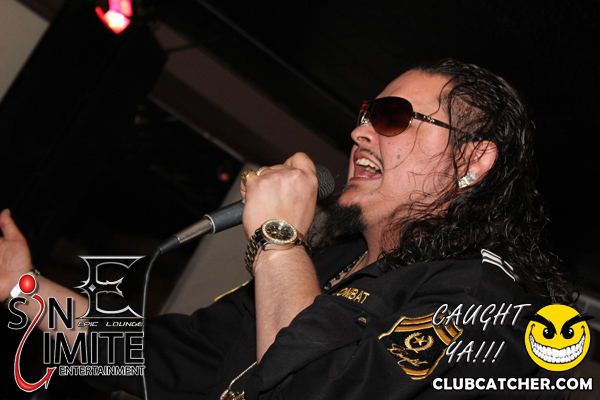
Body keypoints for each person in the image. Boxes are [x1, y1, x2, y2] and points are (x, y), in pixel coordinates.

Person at [1, 58, 572, 399]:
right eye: (367, 113)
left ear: (472, 160)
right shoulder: (327, 264)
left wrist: (277, 238)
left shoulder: (484, 297)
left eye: (393, 117)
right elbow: (162, 357)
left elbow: (306, 389)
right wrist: (24, 291)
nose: (361, 132)